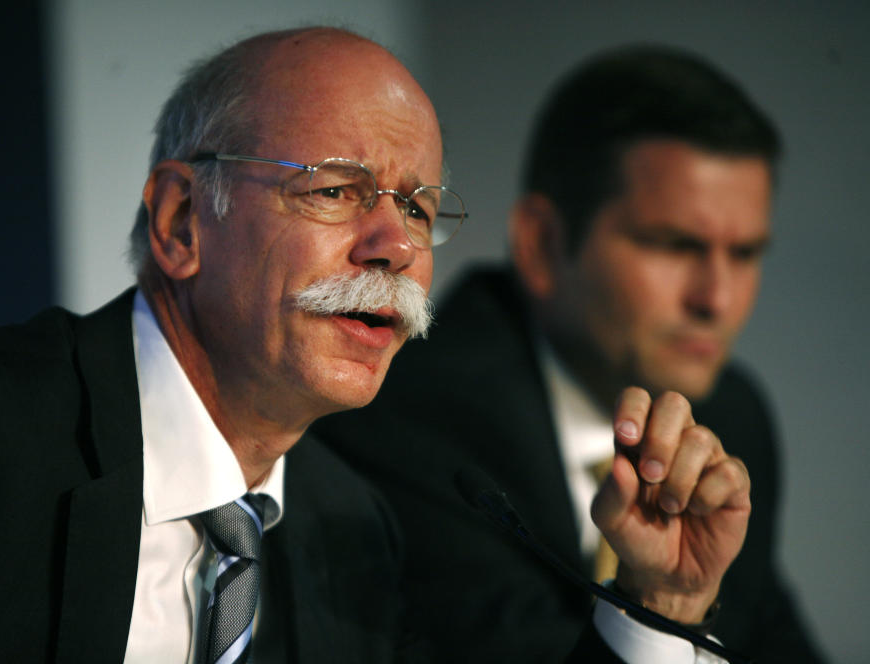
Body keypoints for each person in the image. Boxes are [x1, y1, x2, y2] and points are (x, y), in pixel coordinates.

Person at [0, 29, 752, 664]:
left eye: (419, 208)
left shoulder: (348, 526)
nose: (394, 246)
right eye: (335, 189)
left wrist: (661, 603)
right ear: (179, 222)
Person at [313, 44, 826, 663]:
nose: (715, 298)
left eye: (744, 254)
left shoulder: (731, 413)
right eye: (673, 245)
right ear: (542, 243)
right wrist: (660, 603)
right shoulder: (411, 406)